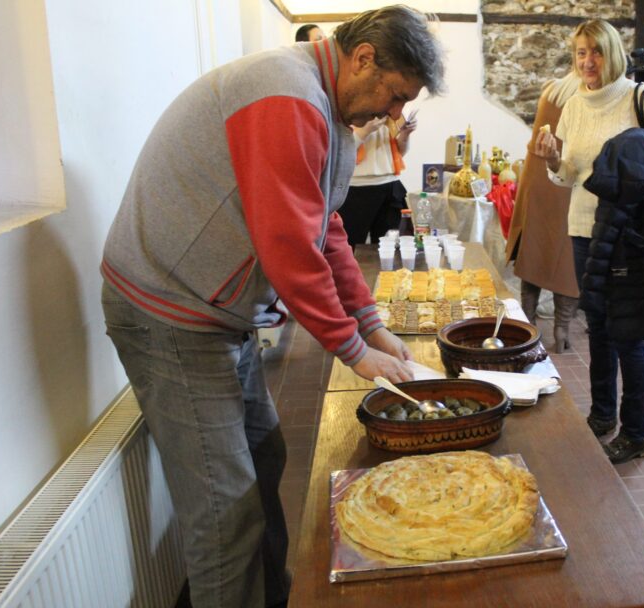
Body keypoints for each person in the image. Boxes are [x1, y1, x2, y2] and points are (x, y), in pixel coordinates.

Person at [100, 7, 444, 608]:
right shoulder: (285, 94)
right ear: (363, 59)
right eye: (394, 96)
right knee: (224, 512)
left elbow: (325, 229)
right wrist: (353, 349)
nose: (395, 114)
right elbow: (288, 246)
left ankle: (269, 598)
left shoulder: (330, 111)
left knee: (265, 455)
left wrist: (371, 324)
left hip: (212, 312)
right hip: (170, 314)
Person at [534, 19, 644, 464]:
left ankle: (637, 432)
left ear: (613, 54)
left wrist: (634, 178)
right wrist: (553, 163)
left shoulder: (639, 97)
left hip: (625, 234)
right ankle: (602, 415)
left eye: (596, 51)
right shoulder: (574, 104)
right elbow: (571, 175)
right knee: (598, 329)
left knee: (627, 334)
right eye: (581, 52)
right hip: (584, 230)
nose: (587, 61)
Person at [505, 74, 582, 353]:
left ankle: (528, 324)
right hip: (567, 177)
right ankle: (561, 329)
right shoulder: (586, 97)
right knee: (567, 257)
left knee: (533, 251)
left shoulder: (552, 89)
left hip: (537, 178)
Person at [338, 110, 418, 248]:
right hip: (356, 188)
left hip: (390, 183)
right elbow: (339, 151)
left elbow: (399, 152)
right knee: (350, 247)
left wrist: (405, 134)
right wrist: (365, 131)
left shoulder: (388, 107)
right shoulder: (348, 106)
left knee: (392, 247)